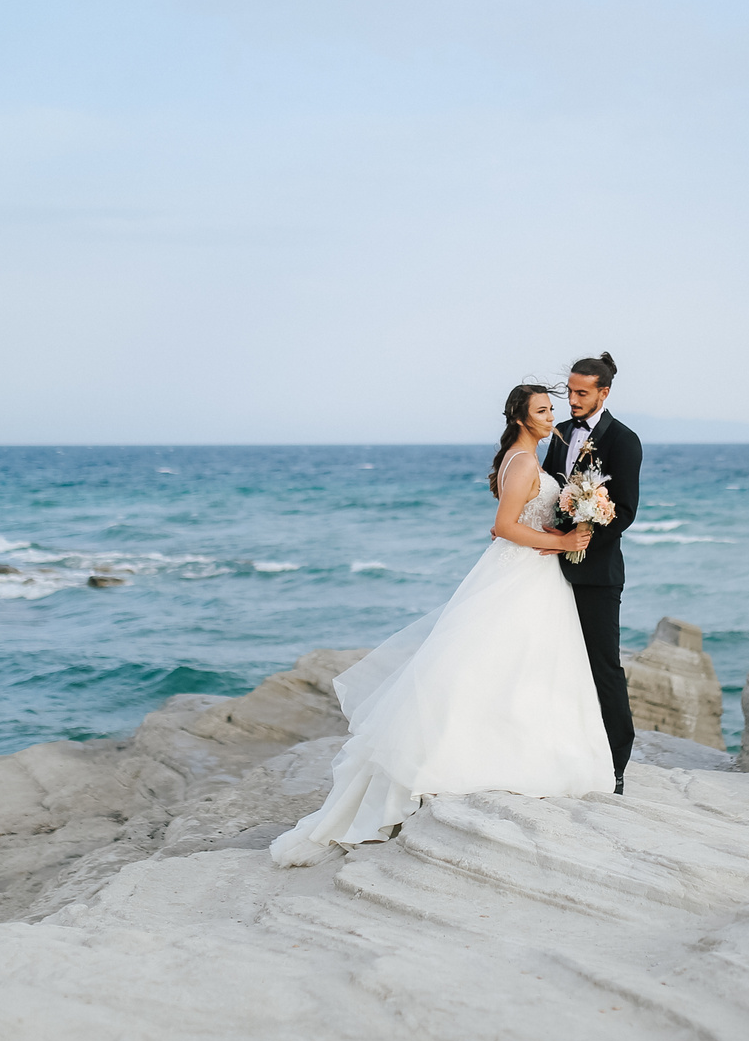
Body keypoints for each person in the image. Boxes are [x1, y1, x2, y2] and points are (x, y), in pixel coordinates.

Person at [269, 383, 615, 867]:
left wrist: (560, 531)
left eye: (550, 409)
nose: (549, 416)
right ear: (520, 419)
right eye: (541, 410)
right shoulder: (522, 462)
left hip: (532, 572)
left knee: (521, 664)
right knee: (498, 662)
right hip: (523, 573)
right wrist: (560, 542)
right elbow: (503, 526)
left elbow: (521, 522)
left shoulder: (525, 460)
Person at [541, 352, 641, 794]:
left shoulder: (624, 440)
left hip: (596, 572)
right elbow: (548, 486)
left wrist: (577, 539)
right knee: (553, 661)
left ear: (604, 392)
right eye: (569, 392)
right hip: (545, 566)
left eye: (582, 393)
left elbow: (624, 513)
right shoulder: (560, 433)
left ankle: (615, 765)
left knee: (603, 667)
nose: (573, 400)